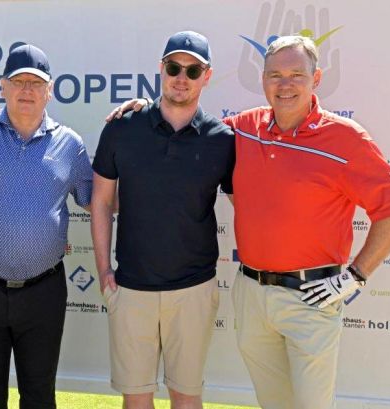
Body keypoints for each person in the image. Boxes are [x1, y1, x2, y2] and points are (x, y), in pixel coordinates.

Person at [110, 35, 390, 409]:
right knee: (274, 403)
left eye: (296, 74)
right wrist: (147, 110)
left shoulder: (346, 138)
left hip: (312, 296)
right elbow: (187, 122)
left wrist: (356, 275)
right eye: (275, 75)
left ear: (316, 78)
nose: (285, 85)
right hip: (252, 293)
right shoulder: (243, 128)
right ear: (263, 78)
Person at [91, 31, 235, 409]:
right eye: (174, 68)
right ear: (161, 69)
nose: (181, 78)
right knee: (136, 400)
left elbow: (248, 207)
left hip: (194, 289)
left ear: (207, 76)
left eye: (193, 70)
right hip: (130, 287)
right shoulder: (122, 127)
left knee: (186, 398)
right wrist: (103, 270)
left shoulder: (222, 139)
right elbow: (101, 201)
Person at [0, 44, 93, 409]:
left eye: (36, 82)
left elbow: (96, 200)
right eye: (18, 81)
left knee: (40, 399)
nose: (26, 90)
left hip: (43, 294)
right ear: (3, 86)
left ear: (49, 90)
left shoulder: (70, 145)